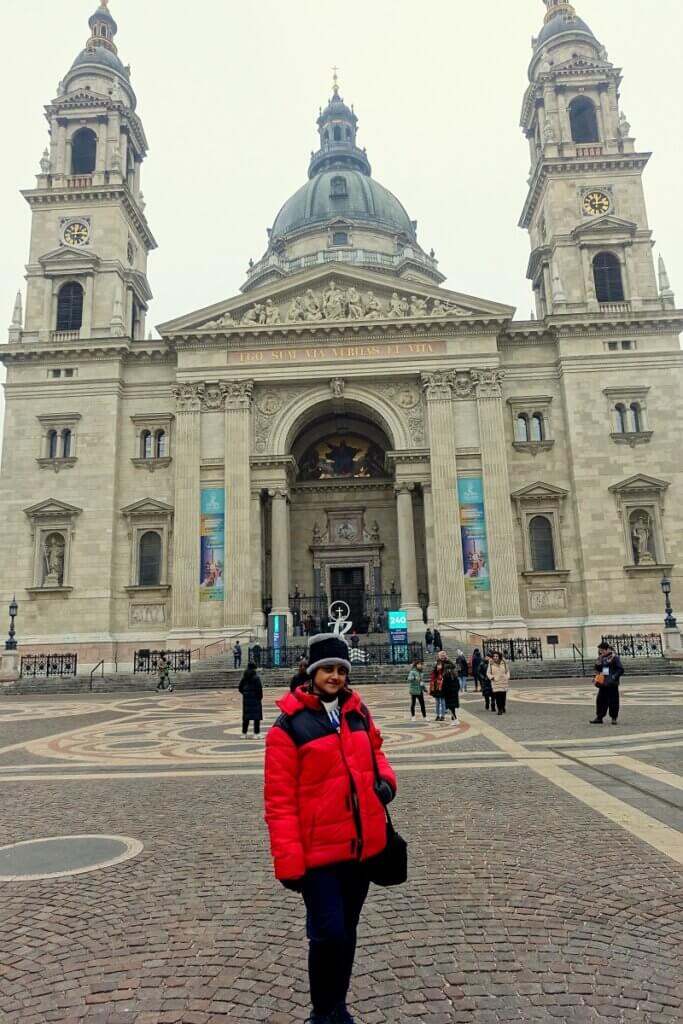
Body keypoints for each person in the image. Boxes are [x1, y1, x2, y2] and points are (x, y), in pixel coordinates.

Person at [264, 633, 397, 1024]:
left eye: (341, 670)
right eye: (327, 670)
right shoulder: (287, 727)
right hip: (318, 851)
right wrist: (288, 863)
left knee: (348, 931)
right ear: (311, 672)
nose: (335, 676)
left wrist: (386, 782)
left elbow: (376, 753)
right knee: (329, 933)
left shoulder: (357, 713)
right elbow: (278, 802)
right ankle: (323, 1013)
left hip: (359, 846)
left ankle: (339, 1008)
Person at [590, 642, 625, 725]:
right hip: (602, 683)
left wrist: (613, 677)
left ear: (607, 649)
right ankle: (599, 717)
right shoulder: (600, 658)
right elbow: (598, 669)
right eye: (600, 650)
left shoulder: (614, 657)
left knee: (613, 701)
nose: (601, 652)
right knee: (600, 701)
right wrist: (595, 677)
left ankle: (613, 718)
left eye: (602, 650)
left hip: (611, 684)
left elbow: (620, 669)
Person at [238, 662, 263, 738]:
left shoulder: (244, 677)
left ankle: (244, 733)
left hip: (246, 699)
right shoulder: (256, 678)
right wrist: (260, 697)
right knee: (256, 717)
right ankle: (256, 733)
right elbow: (259, 689)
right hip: (255, 699)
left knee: (246, 717)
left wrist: (245, 693)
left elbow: (240, 688)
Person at [441, 657, 460, 724]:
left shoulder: (446, 675)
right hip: (454, 693)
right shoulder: (454, 675)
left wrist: (443, 692)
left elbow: (444, 685)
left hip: (448, 693)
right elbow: (458, 685)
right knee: (452, 707)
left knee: (450, 707)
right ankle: (454, 719)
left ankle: (454, 719)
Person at [429, 652, 447, 721]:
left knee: (442, 701)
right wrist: (436, 669)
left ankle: (442, 715)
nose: (442, 656)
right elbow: (433, 674)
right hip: (437, 685)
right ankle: (437, 715)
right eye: (441, 655)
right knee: (437, 702)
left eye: (443, 655)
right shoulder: (436, 663)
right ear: (439, 656)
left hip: (443, 684)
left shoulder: (447, 663)